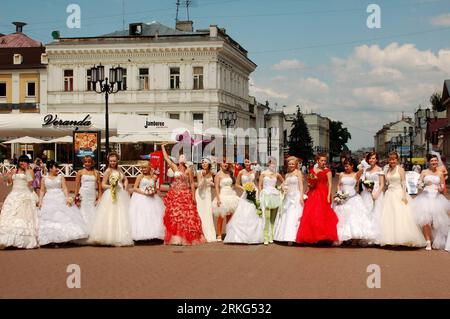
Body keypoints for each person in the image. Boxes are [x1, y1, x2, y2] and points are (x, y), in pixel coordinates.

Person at [378, 152, 426, 247]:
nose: (392, 161)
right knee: (390, 217)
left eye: (394, 159)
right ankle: (392, 239)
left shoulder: (400, 169)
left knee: (401, 216)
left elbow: (404, 183)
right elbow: (385, 184)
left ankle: (404, 238)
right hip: (389, 194)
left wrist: (404, 196)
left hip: (398, 193)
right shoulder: (387, 170)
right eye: (390, 159)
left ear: (397, 160)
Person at [161, 143, 205, 245]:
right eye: (180, 160)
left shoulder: (189, 170)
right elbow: (166, 158)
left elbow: (192, 184)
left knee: (186, 216)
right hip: (175, 194)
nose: (181, 162)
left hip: (185, 194)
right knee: (175, 216)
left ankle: (184, 237)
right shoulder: (174, 168)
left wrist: (193, 196)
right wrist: (163, 147)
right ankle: (176, 237)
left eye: (182, 161)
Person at [37, 161, 88, 246]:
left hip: (60, 197)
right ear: (50, 168)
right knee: (50, 219)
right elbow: (42, 190)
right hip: (49, 199)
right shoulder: (44, 178)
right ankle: (51, 239)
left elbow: (64, 188)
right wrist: (40, 201)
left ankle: (64, 239)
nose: (57, 169)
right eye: (55, 167)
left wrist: (67, 198)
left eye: (57, 167)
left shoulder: (61, 177)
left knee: (62, 217)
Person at [88, 152, 133, 247]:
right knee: (110, 214)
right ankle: (108, 236)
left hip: (121, 193)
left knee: (121, 214)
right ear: (108, 161)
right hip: (111, 193)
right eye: (111, 161)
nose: (112, 162)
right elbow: (103, 184)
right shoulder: (108, 171)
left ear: (117, 161)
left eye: (114, 161)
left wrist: (125, 184)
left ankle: (120, 236)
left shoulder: (120, 169)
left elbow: (125, 179)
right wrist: (112, 186)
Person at [296, 153, 339, 245]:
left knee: (322, 214)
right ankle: (313, 236)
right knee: (311, 214)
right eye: (322, 160)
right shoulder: (312, 170)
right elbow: (310, 183)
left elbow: (330, 184)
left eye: (324, 161)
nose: (323, 162)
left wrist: (328, 195)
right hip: (313, 193)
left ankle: (323, 237)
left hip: (323, 192)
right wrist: (307, 190)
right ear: (317, 161)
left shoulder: (328, 171)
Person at [411, 154, 450, 250]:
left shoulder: (440, 173)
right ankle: (428, 241)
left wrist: (440, 188)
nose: (434, 162)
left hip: (437, 199)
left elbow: (442, 187)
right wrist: (423, 184)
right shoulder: (424, 172)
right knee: (425, 220)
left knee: (437, 222)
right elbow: (418, 185)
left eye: (435, 161)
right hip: (425, 198)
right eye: (432, 161)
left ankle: (435, 239)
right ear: (428, 162)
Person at [332, 159, 375, 245]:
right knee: (342, 218)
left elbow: (365, 169)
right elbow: (338, 185)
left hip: (353, 198)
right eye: (345, 165)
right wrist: (338, 194)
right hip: (342, 198)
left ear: (352, 166)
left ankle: (355, 238)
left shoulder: (356, 174)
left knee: (354, 218)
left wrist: (362, 164)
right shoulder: (341, 174)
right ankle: (343, 237)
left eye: (348, 165)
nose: (346, 167)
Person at [0, 155, 38, 249]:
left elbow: (30, 184)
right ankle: (7, 240)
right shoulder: (14, 171)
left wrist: (26, 171)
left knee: (23, 218)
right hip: (13, 195)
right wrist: (8, 177)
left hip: (24, 196)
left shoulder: (29, 171)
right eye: (21, 161)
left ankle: (22, 241)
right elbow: (9, 183)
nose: (23, 163)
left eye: (25, 161)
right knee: (9, 216)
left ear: (28, 163)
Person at [224, 158, 264, 244]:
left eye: (248, 161)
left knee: (254, 212)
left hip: (254, 192)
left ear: (251, 162)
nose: (247, 163)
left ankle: (254, 236)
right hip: (245, 194)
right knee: (243, 212)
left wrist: (257, 191)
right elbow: (237, 184)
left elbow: (257, 182)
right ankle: (239, 237)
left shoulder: (255, 172)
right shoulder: (241, 172)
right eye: (245, 162)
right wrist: (244, 188)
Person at [129, 161, 165, 241]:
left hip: (152, 197)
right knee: (142, 216)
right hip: (141, 197)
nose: (143, 169)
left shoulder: (153, 177)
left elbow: (155, 188)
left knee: (152, 215)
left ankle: (153, 234)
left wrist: (153, 191)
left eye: (145, 167)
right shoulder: (140, 176)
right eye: (142, 168)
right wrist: (144, 193)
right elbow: (135, 188)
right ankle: (141, 234)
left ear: (149, 167)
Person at [274, 156, 304, 245]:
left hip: (296, 196)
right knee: (286, 215)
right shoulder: (287, 174)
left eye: (293, 164)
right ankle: (286, 237)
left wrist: (301, 196)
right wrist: (283, 187)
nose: (291, 165)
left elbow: (301, 185)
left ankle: (295, 237)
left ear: (295, 165)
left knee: (294, 216)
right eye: (290, 164)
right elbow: (284, 184)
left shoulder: (298, 173)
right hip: (288, 197)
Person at [360, 152, 385, 244]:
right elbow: (364, 181)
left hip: (377, 193)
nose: (371, 160)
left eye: (373, 158)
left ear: (376, 159)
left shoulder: (379, 169)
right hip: (367, 193)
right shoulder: (366, 170)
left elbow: (382, 184)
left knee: (377, 213)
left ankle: (376, 237)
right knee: (367, 213)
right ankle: (368, 236)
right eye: (370, 158)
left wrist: (377, 193)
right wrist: (366, 187)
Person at [212, 160, 240, 241]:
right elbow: (216, 187)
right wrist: (218, 198)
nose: (225, 164)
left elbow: (233, 184)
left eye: (226, 163)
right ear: (220, 164)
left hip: (230, 195)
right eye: (223, 162)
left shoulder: (229, 173)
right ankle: (219, 234)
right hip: (222, 195)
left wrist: (232, 189)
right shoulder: (218, 175)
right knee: (221, 215)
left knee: (229, 215)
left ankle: (228, 233)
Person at [259, 157, 284, 245]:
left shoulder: (277, 174)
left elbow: (283, 182)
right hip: (266, 195)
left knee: (273, 218)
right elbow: (260, 185)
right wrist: (259, 196)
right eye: (271, 163)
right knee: (267, 217)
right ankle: (265, 236)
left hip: (275, 195)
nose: (272, 165)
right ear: (268, 164)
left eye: (274, 163)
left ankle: (271, 236)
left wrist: (280, 187)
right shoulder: (263, 173)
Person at [74, 155, 102, 232]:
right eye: (86, 162)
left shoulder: (96, 172)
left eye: (89, 162)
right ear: (83, 163)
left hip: (92, 195)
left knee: (93, 212)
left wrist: (99, 198)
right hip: (83, 195)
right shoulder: (80, 172)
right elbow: (76, 186)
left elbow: (99, 187)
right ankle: (83, 231)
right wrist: (76, 198)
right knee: (83, 211)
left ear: (92, 163)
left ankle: (93, 231)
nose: (87, 163)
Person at [195, 158, 217, 243]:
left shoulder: (212, 173)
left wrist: (212, 184)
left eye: (205, 163)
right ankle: (200, 234)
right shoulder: (199, 172)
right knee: (200, 212)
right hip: (200, 195)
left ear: (209, 164)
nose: (203, 164)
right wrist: (203, 177)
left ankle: (209, 234)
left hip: (208, 195)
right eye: (202, 162)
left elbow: (215, 185)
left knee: (208, 213)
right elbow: (199, 186)